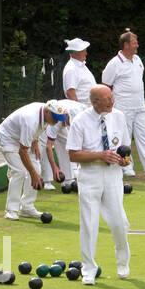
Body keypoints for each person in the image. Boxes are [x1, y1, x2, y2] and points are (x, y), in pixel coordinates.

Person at [67, 86, 131, 285]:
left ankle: (123, 261)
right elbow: (73, 154)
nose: (111, 102)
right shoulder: (80, 121)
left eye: (112, 97)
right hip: (90, 176)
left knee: (119, 222)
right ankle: (88, 268)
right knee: (89, 222)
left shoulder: (119, 117)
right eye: (106, 100)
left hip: (113, 176)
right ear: (95, 102)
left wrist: (124, 161)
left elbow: (126, 151)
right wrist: (100, 155)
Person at [101, 31, 145, 178]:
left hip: (140, 106)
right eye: (134, 42)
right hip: (123, 108)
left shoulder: (137, 59)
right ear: (126, 45)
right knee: (124, 138)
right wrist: (109, 106)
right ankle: (126, 166)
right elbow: (106, 86)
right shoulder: (114, 63)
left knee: (144, 137)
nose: (137, 45)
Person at [0, 101, 68, 220]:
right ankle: (11, 210)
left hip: (23, 138)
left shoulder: (46, 114)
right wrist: (33, 175)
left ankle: (27, 207)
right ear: (47, 112)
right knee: (20, 172)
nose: (57, 121)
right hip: (8, 138)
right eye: (55, 118)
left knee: (37, 168)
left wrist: (35, 141)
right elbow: (22, 151)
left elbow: (37, 129)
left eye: (59, 118)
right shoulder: (30, 120)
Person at [59, 38, 96, 188]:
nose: (86, 52)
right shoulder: (71, 69)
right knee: (75, 141)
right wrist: (78, 111)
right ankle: (72, 176)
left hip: (86, 109)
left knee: (85, 141)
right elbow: (70, 91)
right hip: (78, 110)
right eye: (83, 50)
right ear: (74, 53)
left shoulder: (81, 66)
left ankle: (79, 173)